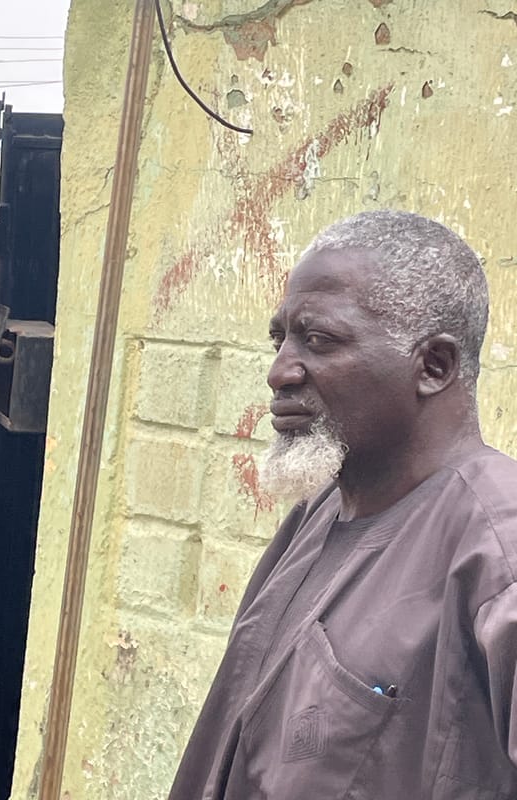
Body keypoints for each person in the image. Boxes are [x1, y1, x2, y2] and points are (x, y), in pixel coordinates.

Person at [168, 210, 517, 799]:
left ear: (434, 366)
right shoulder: (319, 514)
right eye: (280, 339)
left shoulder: (497, 551)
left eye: (320, 340)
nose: (280, 372)